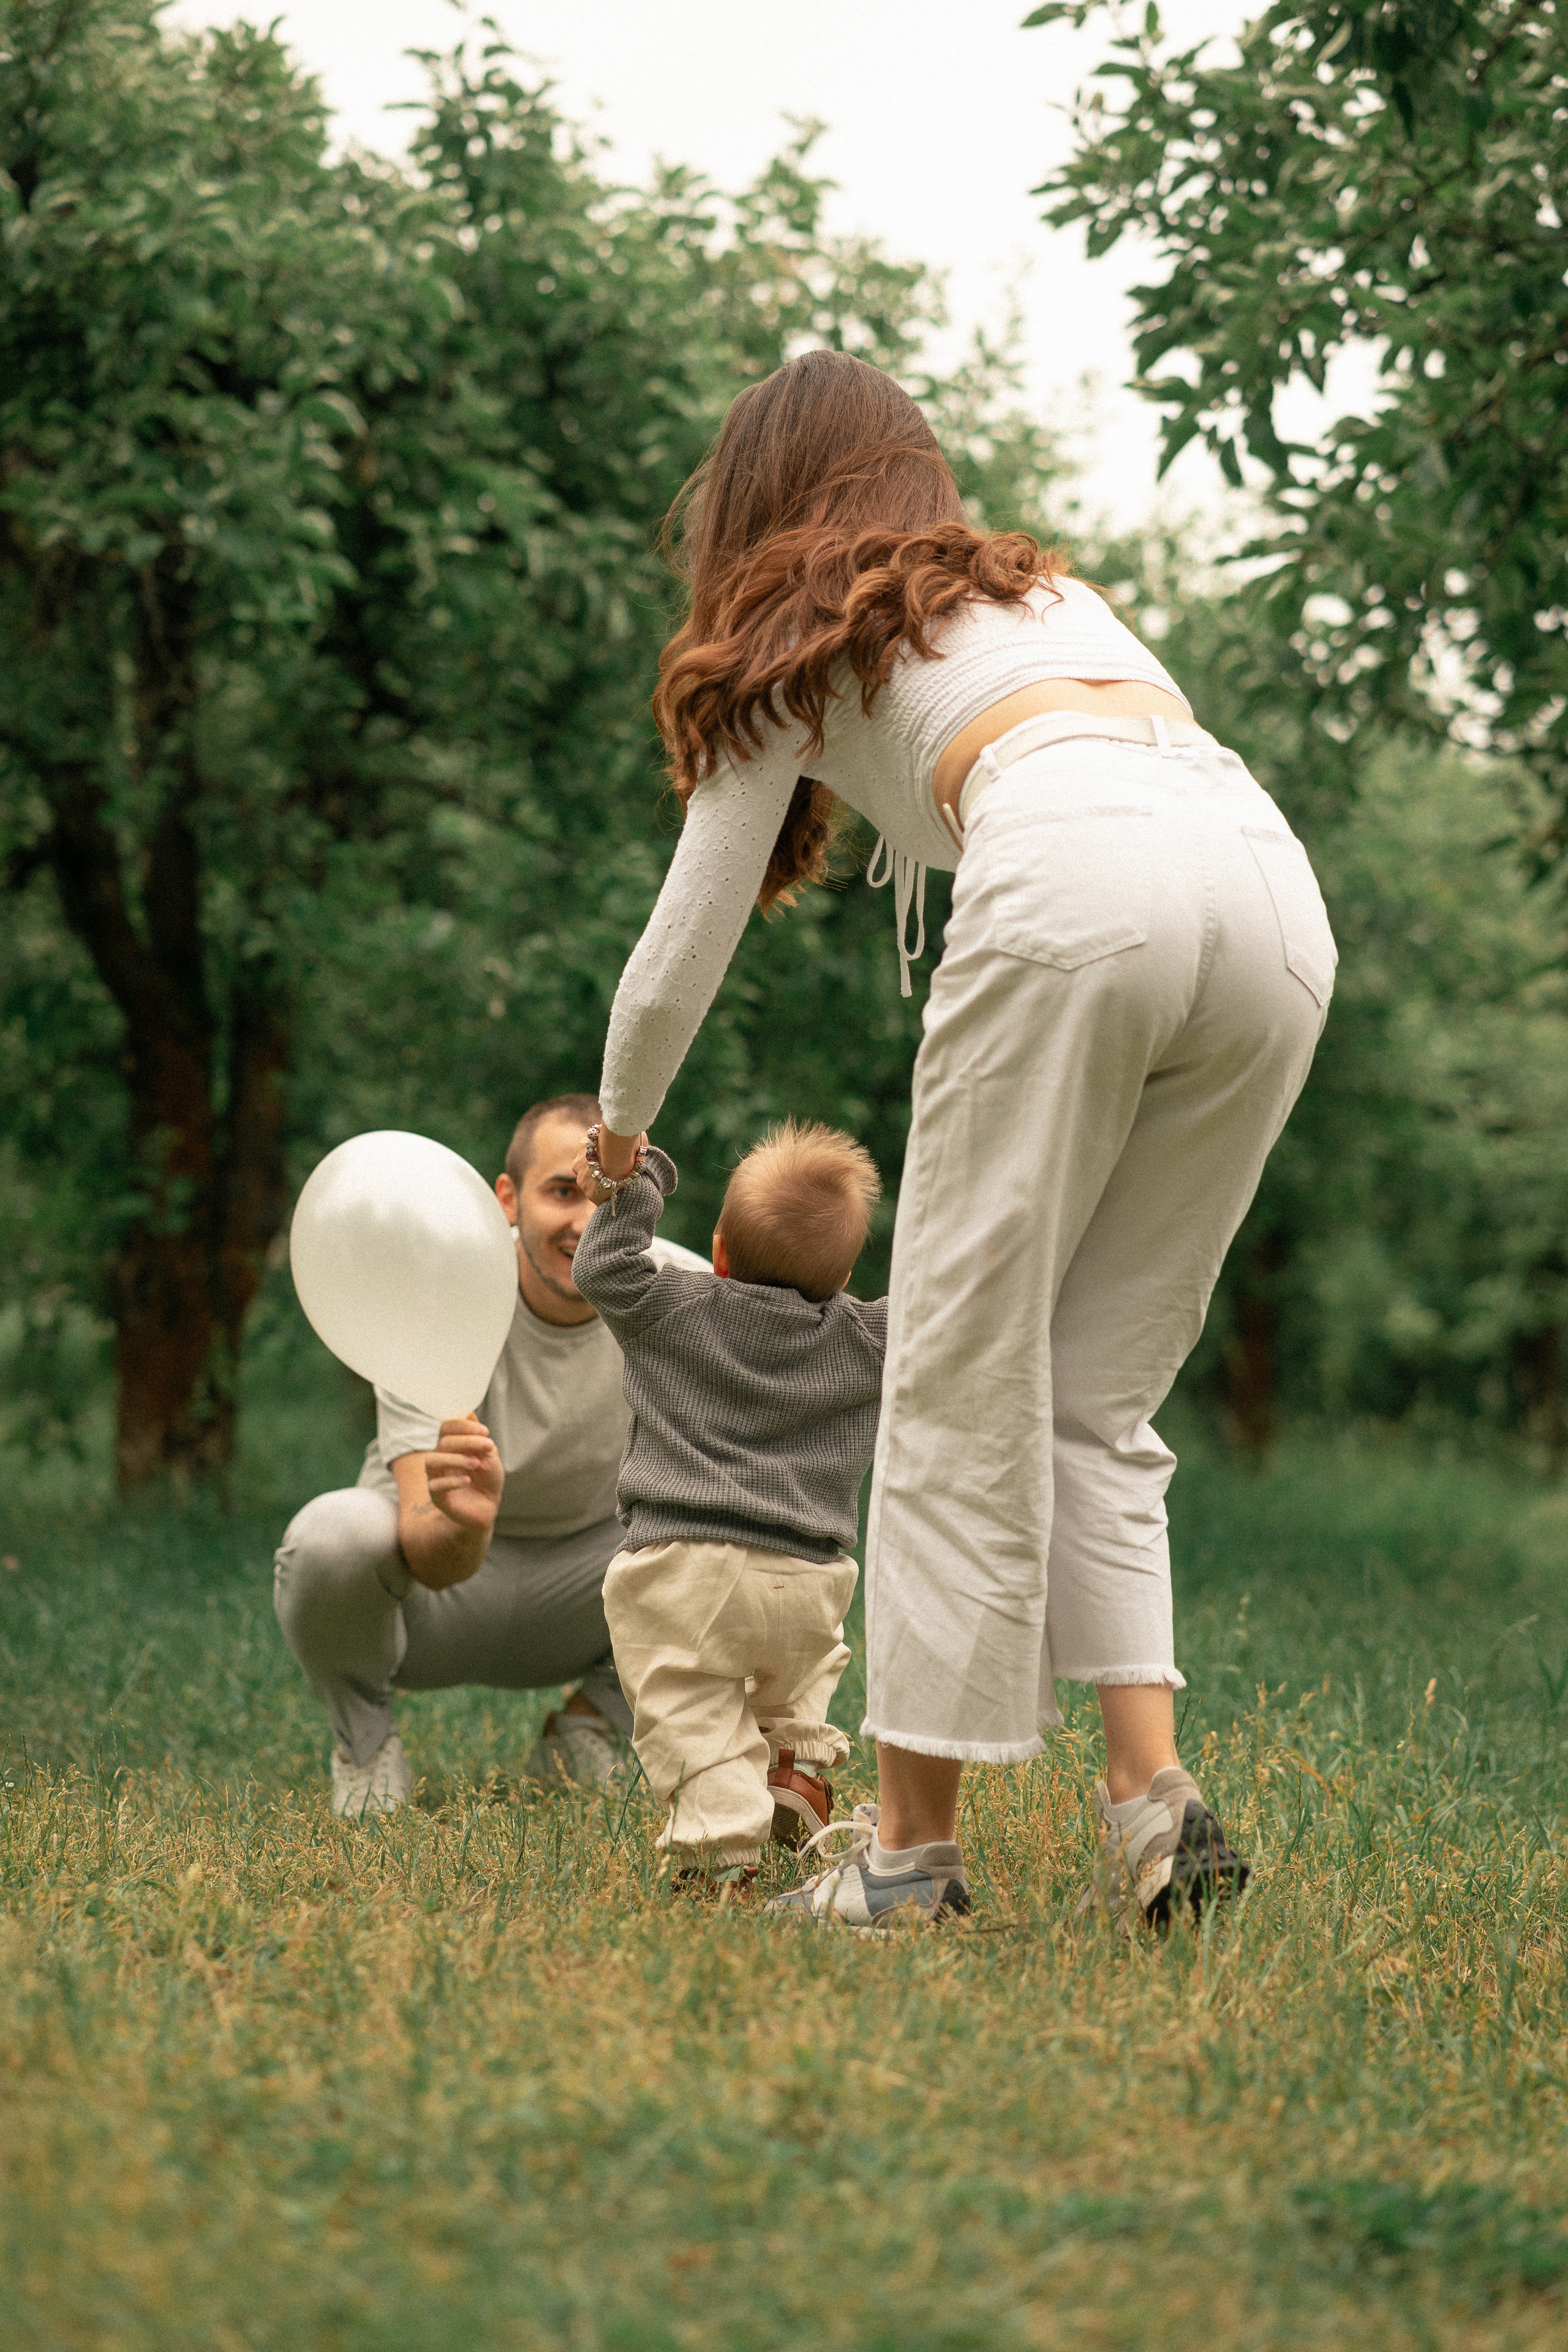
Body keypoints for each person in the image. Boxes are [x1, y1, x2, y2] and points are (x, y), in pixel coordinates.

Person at [588, 349, 1336, 1929]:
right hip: (1265, 892)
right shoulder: (1030, 590)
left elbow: (676, 955)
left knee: (950, 1367)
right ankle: (1150, 1796)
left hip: (1075, 874)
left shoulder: (795, 629)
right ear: (909, 467)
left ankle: (907, 1859)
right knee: (1096, 1389)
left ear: (754, 499)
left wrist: (619, 1132)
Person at [273, 1093, 708, 1816]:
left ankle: (592, 1724)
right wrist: (467, 1522)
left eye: (612, 1196)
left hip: (594, 1590)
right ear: (507, 1198)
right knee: (329, 1539)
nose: (587, 1222)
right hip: (439, 1600)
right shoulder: (434, 1291)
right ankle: (366, 1744)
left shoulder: (685, 1298)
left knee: (740, 1529)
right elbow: (431, 1552)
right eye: (563, 1192)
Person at [569, 1119, 887, 1896]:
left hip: (688, 1568)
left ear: (717, 1251)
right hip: (813, 1577)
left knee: (691, 1712)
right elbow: (950, 1318)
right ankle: (797, 1767)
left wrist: (633, 1179)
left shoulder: (671, 1308)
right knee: (798, 1672)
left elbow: (603, 1264)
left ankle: (719, 1859)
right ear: (844, 1277)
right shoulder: (872, 1339)